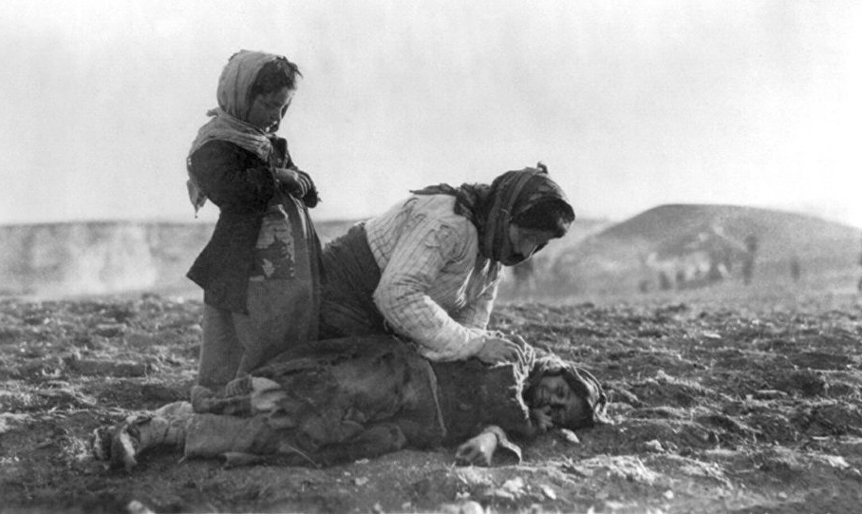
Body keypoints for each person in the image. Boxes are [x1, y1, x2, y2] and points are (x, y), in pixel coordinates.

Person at [91, 336, 607, 471]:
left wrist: (496, 437)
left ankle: (171, 433)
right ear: (554, 370)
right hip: (399, 377)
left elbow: (499, 430)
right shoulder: (518, 359)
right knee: (303, 397)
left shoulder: (523, 420)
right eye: (559, 392)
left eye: (562, 411)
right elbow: (502, 390)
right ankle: (160, 422)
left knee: (307, 441)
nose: (551, 403)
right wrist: (520, 422)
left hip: (409, 425)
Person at [317, 163, 575, 364]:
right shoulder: (448, 223)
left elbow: (470, 323)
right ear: (506, 213)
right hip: (342, 297)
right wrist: (476, 346)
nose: (525, 251)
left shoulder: (492, 255)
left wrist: (479, 348)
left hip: (385, 318)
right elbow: (397, 295)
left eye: (540, 244)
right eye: (527, 236)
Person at [185, 50, 324, 398]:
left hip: (287, 256)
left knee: (287, 319)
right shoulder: (214, 145)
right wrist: (277, 176)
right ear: (241, 96)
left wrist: (303, 184)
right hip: (243, 256)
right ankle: (228, 395)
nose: (277, 117)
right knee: (242, 328)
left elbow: (301, 184)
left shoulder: (269, 143)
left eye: (283, 108)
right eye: (269, 106)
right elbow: (229, 190)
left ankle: (276, 385)